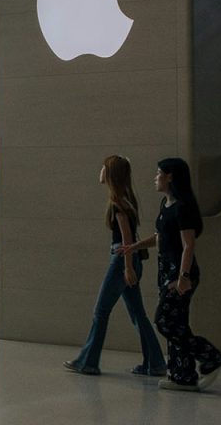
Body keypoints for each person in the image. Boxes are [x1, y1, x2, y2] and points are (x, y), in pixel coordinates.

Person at [116, 157, 221, 391]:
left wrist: (183, 277)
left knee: (165, 322)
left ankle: (210, 356)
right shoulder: (165, 206)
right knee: (178, 323)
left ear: (170, 177)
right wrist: (134, 247)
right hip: (166, 272)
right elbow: (159, 238)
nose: (155, 178)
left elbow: (188, 245)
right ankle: (182, 375)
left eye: (159, 173)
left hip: (180, 274)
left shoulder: (183, 208)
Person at [64, 155, 166, 377]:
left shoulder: (117, 202)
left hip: (121, 260)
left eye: (104, 167)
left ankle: (88, 362)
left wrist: (128, 267)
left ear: (110, 174)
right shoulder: (127, 199)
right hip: (130, 260)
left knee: (101, 311)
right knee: (138, 314)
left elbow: (127, 239)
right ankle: (155, 362)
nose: (100, 171)